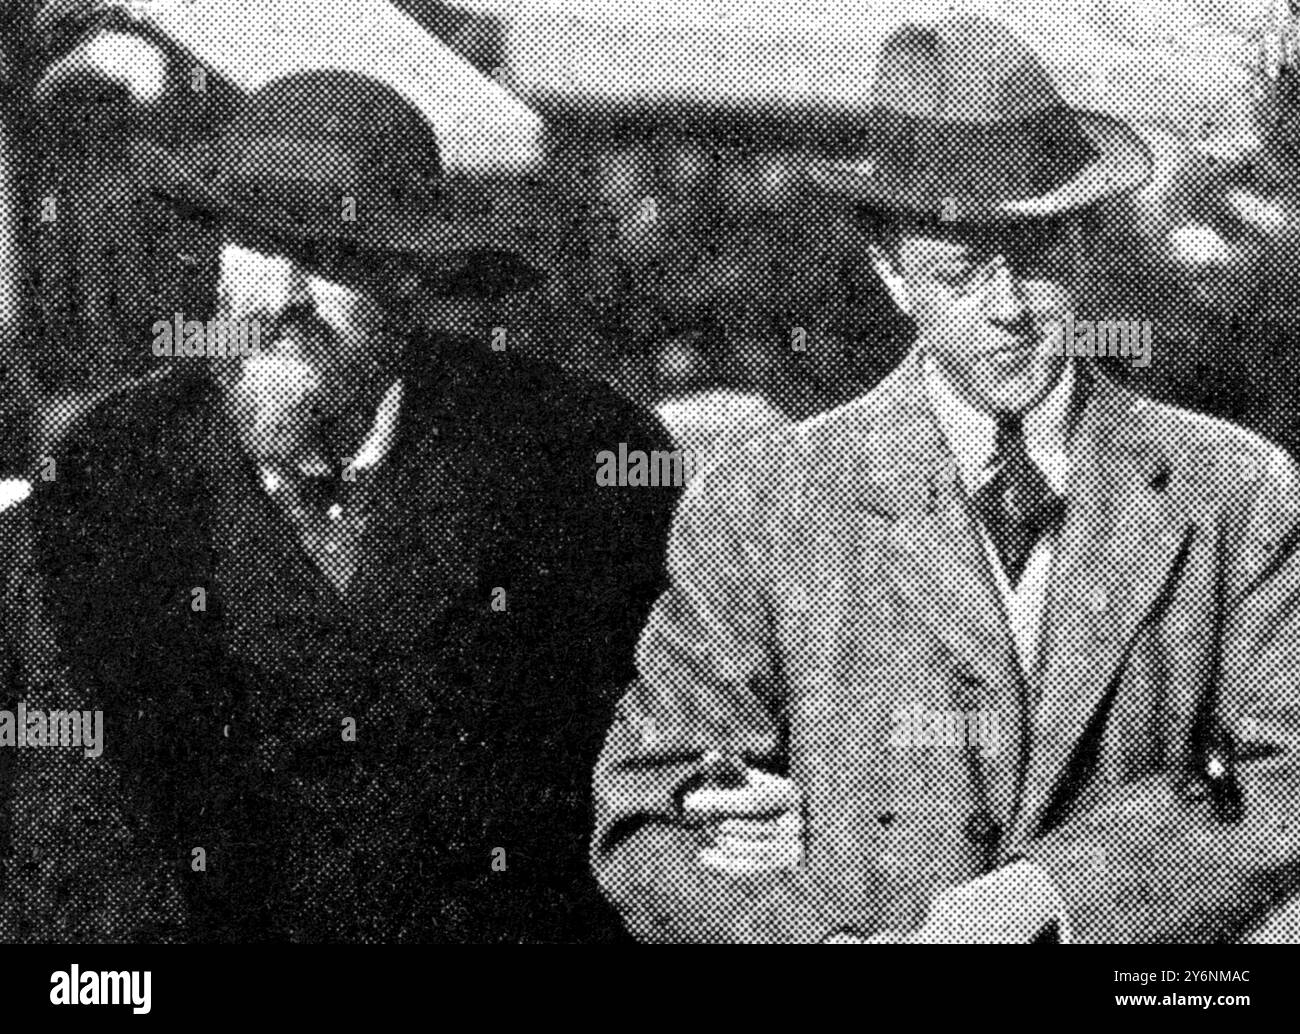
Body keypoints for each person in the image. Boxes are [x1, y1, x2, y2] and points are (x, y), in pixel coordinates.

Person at [592, 15, 1300, 943]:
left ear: (1083, 250)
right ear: (892, 274)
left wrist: (1049, 893)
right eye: (963, 273)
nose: (1008, 311)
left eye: (1039, 262)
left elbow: (1287, 774)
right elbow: (646, 819)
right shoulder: (763, 502)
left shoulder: (1234, 490)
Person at [2, 69, 677, 942]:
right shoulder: (92, 510)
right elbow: (59, 866)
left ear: (409, 282)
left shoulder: (569, 490)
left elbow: (643, 797)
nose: (282, 300)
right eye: (252, 248)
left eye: (326, 260)